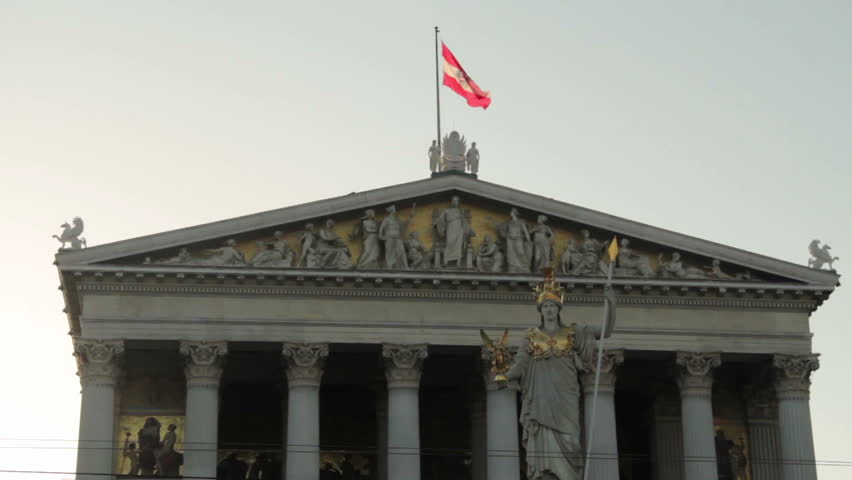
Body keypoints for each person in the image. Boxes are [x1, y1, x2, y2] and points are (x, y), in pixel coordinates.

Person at [499, 272, 616, 480]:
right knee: (542, 452)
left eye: (552, 306)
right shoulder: (531, 337)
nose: (549, 310)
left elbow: (606, 331)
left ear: (559, 309)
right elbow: (521, 364)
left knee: (571, 442)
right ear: (540, 311)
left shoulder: (574, 332)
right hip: (540, 400)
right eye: (545, 307)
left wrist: (611, 303)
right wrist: (505, 376)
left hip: (565, 397)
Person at [434, 196, 466, 267]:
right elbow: (440, 219)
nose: (455, 202)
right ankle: (445, 261)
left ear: (458, 202)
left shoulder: (461, 212)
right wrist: (436, 223)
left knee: (458, 245)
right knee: (449, 243)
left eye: (456, 201)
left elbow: (464, 223)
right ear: (451, 202)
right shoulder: (447, 211)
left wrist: (464, 231)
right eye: (453, 200)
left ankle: (458, 263)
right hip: (450, 228)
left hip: (459, 230)